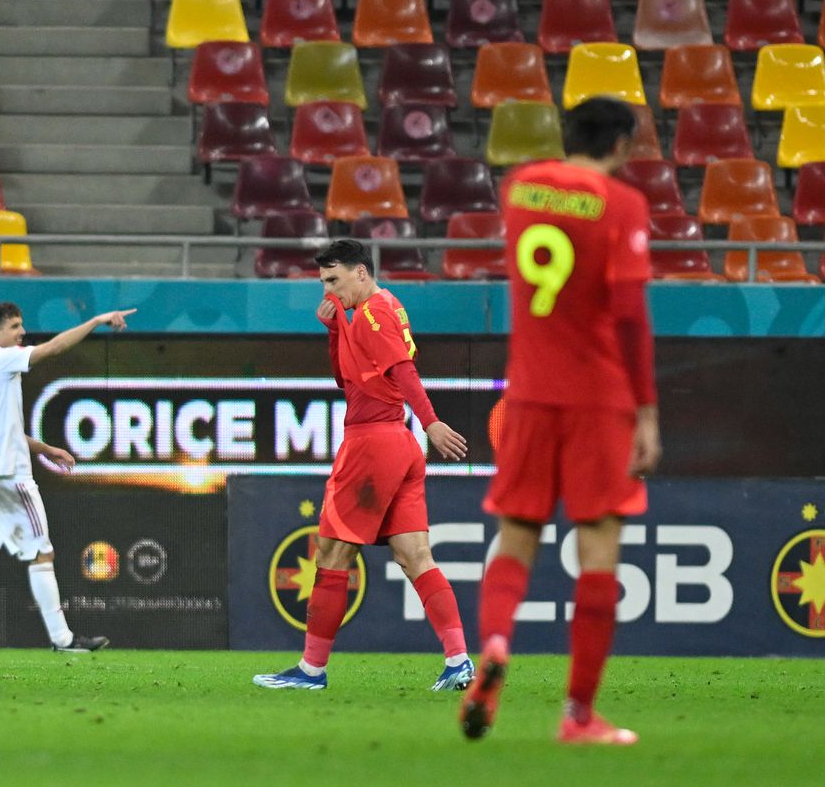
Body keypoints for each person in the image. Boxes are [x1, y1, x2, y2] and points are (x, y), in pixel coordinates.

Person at [460, 97, 661, 746]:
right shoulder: (622, 203)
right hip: (598, 399)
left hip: (528, 394)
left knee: (515, 537)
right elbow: (629, 314)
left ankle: (495, 645)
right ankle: (579, 715)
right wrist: (647, 410)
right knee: (598, 545)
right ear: (622, 145)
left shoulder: (521, 188)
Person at [254, 239, 474, 692]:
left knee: (332, 555)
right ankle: (458, 660)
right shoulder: (379, 309)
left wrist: (431, 422)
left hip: (372, 443)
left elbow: (403, 371)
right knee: (415, 557)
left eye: (333, 280)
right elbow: (346, 380)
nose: (328, 290)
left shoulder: (373, 313)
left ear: (360, 272)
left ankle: (311, 671)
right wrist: (335, 329)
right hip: (399, 444)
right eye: (323, 282)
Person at [0, 302, 136, 653]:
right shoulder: (3, 359)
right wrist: (97, 320)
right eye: (15, 326)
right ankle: (63, 639)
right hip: (10, 474)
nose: (22, 332)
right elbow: (55, 348)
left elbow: (4, 428)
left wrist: (45, 449)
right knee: (41, 553)